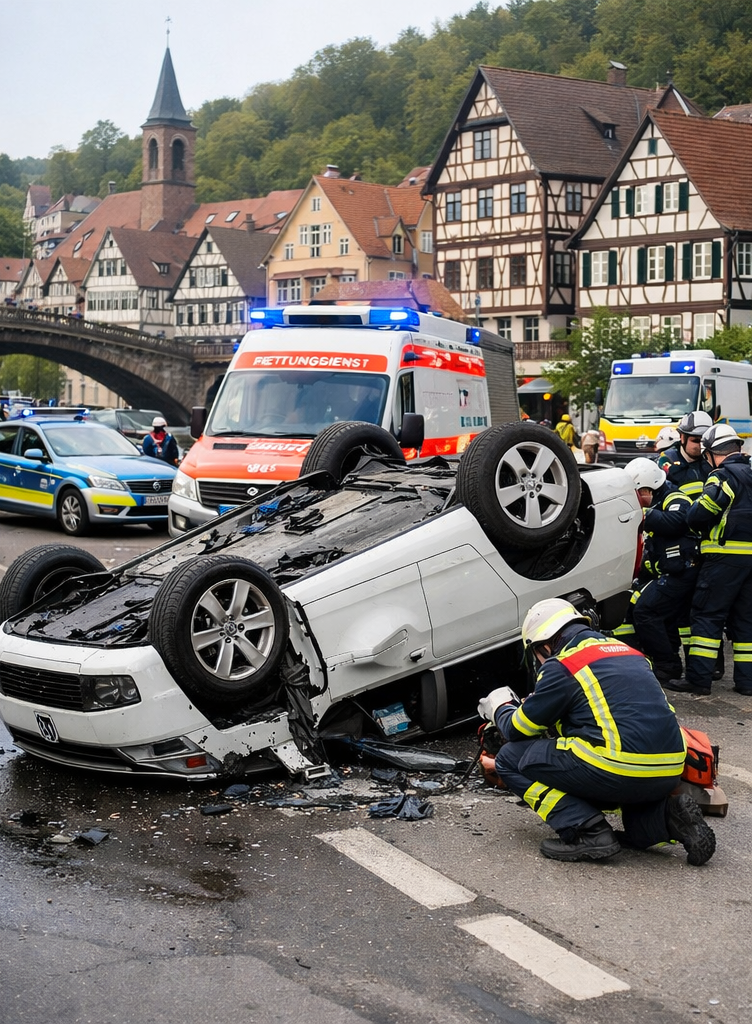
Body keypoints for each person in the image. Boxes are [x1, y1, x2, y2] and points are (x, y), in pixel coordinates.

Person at [477, 598, 715, 864]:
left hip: (617, 768)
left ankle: (587, 831)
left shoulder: (564, 664)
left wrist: (500, 706)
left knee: (510, 758)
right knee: (634, 823)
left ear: (544, 645)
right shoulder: (630, 653)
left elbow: (516, 729)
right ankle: (669, 817)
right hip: (668, 770)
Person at [666, 425, 752, 696]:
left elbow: (700, 514)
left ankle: (699, 679)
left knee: (707, 616)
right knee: (746, 621)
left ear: (713, 453)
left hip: (723, 560)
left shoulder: (722, 476)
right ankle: (748, 682)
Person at [624, 457, 699, 683]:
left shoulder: (674, 497)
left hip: (683, 571)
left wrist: (643, 515)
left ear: (650, 488)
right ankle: (655, 661)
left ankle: (667, 666)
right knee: (645, 610)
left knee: (646, 611)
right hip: (667, 572)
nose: (637, 499)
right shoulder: (656, 500)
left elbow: (678, 520)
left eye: (639, 493)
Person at [657, 411, 713, 498]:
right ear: (682, 438)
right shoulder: (666, 460)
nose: (702, 446)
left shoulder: (714, 459)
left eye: (705, 441)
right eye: (696, 441)